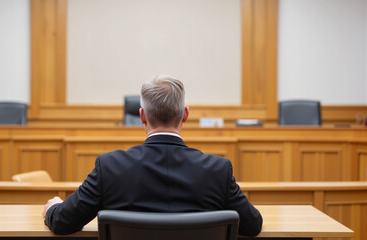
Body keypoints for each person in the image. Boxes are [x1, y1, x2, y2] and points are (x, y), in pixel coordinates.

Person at [43, 75, 263, 236]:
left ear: (142, 116)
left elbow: (63, 223)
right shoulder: (218, 170)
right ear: (185, 114)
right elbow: (253, 225)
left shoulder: (109, 167)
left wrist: (53, 207)